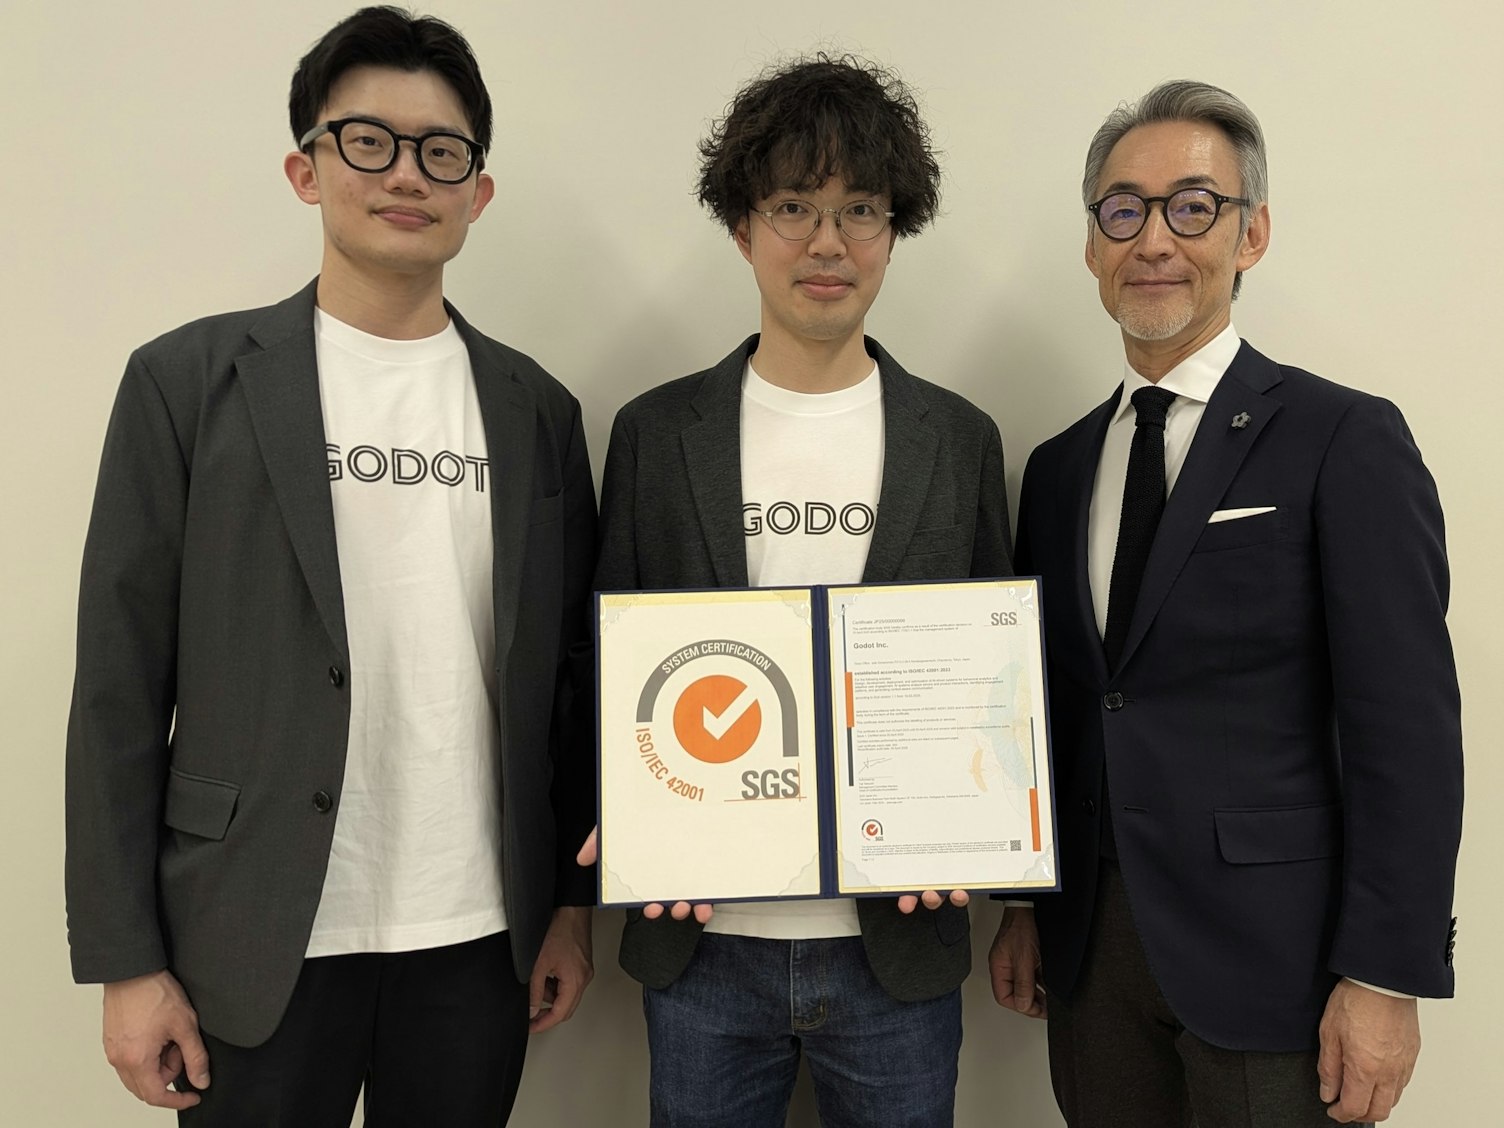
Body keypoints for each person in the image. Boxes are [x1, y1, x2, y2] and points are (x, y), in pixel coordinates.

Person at [64, 7, 597, 1124]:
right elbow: (118, 688)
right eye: (368, 141)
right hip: (250, 930)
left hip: (477, 933)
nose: (405, 174)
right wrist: (125, 961)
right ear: (306, 170)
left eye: (440, 151)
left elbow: (570, 681)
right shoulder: (186, 383)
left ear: (477, 193)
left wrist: (568, 907)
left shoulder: (538, 410)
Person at [988, 79, 1463, 1127]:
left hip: (1280, 963)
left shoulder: (1343, 438)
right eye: (1124, 210)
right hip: (1091, 959)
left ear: (1251, 234)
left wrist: (1387, 974)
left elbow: (1406, 728)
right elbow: (1049, 707)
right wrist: (1023, 898)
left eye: (1192, 207)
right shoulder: (1057, 468)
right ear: (1092, 245)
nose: (1154, 238)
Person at [591, 54, 1011, 1128]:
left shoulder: (959, 439)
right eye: (793, 208)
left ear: (893, 230)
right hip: (702, 941)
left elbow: (991, 680)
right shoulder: (655, 434)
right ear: (742, 227)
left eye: (860, 210)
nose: (829, 242)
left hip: (897, 945)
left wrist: (975, 832)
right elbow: (603, 663)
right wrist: (622, 819)